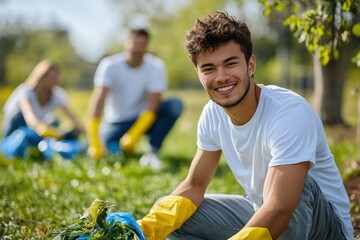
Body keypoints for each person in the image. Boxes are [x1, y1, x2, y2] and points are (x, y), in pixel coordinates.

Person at [117, 11, 354, 240]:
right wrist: (144, 230)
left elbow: (280, 209)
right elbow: (195, 184)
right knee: (171, 212)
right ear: (199, 74)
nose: (221, 77)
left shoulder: (289, 113)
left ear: (250, 65)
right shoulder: (212, 114)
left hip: (323, 229)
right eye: (208, 68)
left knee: (299, 188)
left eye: (230, 64)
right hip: (262, 211)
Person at [87, 28, 183, 169]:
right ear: (126, 43)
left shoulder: (156, 67)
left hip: (142, 118)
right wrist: (94, 142)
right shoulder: (109, 65)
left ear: (147, 46)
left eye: (141, 44)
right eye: (134, 43)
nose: (136, 48)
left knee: (174, 105)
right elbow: (98, 101)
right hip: (115, 121)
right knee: (105, 148)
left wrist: (133, 135)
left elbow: (153, 105)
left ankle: (152, 152)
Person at [1, 59, 86, 159]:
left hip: (36, 126)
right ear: (41, 77)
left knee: (54, 121)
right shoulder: (25, 91)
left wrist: (87, 133)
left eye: (55, 78)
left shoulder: (56, 95)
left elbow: (73, 117)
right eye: (50, 78)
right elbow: (30, 119)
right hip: (17, 126)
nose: (54, 81)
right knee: (25, 131)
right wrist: (46, 130)